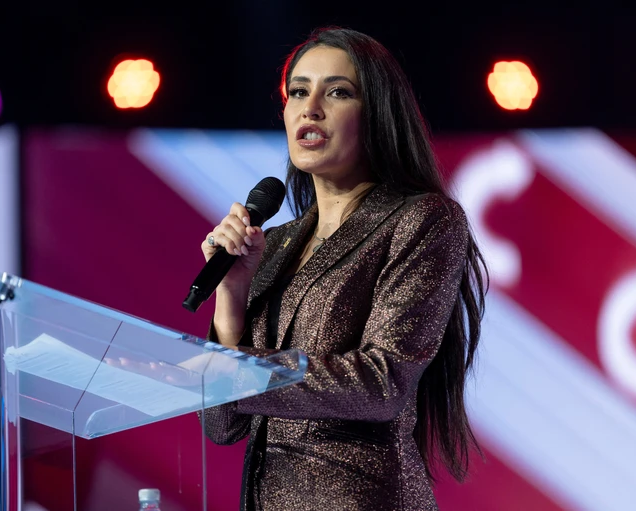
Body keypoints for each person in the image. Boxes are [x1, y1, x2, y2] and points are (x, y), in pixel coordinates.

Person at [200, 27, 487, 511]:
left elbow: (382, 383)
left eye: (336, 92)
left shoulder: (423, 219)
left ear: (376, 114)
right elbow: (222, 426)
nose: (310, 108)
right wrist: (230, 295)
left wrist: (239, 371)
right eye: (298, 92)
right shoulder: (274, 243)